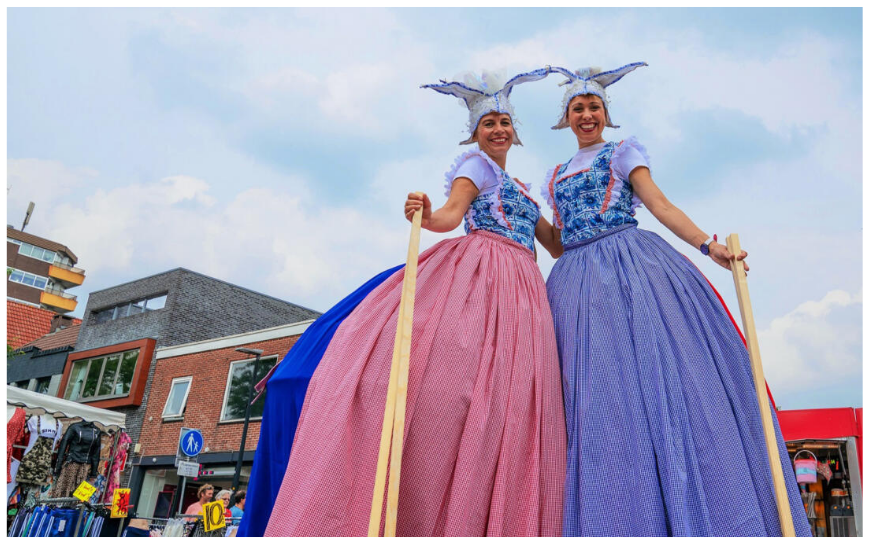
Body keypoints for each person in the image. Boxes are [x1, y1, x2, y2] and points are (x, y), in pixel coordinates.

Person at [264, 68, 566, 537]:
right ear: (475, 133)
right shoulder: (476, 168)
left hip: (526, 287)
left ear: (515, 133)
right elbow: (450, 216)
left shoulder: (526, 190)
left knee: (513, 387)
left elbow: (555, 244)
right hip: (485, 268)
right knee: (461, 372)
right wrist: (426, 214)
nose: (499, 130)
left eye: (505, 122)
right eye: (489, 124)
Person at [539, 63, 812, 537]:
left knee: (657, 383)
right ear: (566, 119)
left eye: (594, 107)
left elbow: (661, 206)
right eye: (578, 108)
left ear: (606, 114)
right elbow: (560, 242)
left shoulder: (624, 154)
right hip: (574, 286)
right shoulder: (555, 175)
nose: (587, 115)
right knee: (592, 399)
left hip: (631, 273)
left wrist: (710, 247)